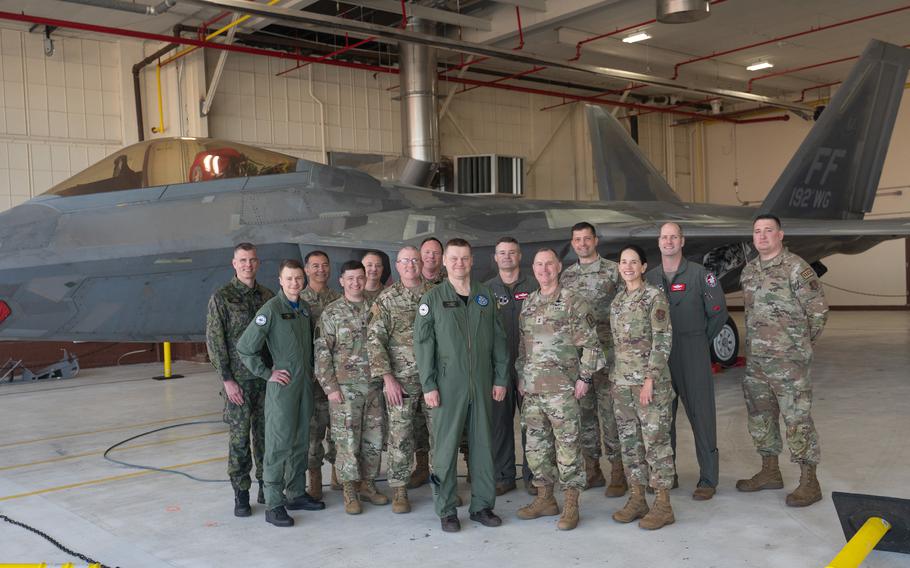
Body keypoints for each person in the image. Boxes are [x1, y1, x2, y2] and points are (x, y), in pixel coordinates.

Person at [414, 238, 510, 533]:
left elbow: (499, 341)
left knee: (483, 446)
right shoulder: (432, 299)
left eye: (465, 258)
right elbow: (423, 345)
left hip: (481, 383)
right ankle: (446, 510)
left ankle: (482, 506)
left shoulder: (485, 297)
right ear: (444, 261)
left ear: (472, 261)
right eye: (454, 259)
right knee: (444, 451)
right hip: (447, 386)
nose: (459, 264)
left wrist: (501, 377)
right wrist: (428, 384)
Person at [736, 214, 828, 508]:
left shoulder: (796, 268)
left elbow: (818, 311)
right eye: (757, 232)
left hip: (789, 363)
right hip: (757, 363)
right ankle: (770, 472)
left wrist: (800, 346)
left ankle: (809, 482)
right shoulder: (749, 271)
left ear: (780, 235)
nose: (762, 236)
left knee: (797, 420)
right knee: (761, 418)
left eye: (768, 231)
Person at [515, 248, 603, 531]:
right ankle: (545, 499)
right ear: (533, 268)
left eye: (549, 264)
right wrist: (520, 376)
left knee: (567, 450)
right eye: (539, 264)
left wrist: (585, 378)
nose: (543, 269)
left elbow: (591, 344)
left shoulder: (573, 302)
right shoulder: (528, 303)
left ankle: (571, 504)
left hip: (562, 391)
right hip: (532, 391)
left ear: (559, 267)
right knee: (537, 449)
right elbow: (522, 346)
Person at [237, 259, 326, 527]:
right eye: (289, 278)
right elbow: (245, 347)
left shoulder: (304, 310)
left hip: (304, 387)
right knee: (278, 445)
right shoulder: (271, 309)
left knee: (301, 440)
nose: (294, 283)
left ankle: (296, 493)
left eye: (298, 278)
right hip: (283, 388)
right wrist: (267, 373)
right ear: (280, 280)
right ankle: (274, 502)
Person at [645, 222, 728, 501]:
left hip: (692, 349)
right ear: (659, 242)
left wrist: (699, 342)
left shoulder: (700, 275)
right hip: (661, 355)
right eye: (664, 237)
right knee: (661, 418)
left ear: (682, 241)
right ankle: (667, 475)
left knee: (702, 416)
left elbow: (718, 313)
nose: (668, 241)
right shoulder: (650, 278)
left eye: (673, 237)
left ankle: (708, 478)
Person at [205, 243, 274, 517]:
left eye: (252, 260)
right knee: (239, 440)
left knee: (266, 439)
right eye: (243, 260)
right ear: (234, 264)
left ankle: (266, 488)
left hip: (264, 380)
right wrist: (226, 379)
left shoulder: (268, 296)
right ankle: (241, 492)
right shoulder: (222, 297)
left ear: (258, 263)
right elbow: (215, 341)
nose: (248, 265)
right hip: (238, 384)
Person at [610, 245, 676, 530]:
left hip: (650, 386)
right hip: (622, 385)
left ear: (644, 266)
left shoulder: (653, 297)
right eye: (623, 262)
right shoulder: (617, 302)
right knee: (630, 445)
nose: (627, 267)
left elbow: (662, 340)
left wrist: (649, 379)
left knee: (656, 445)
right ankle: (637, 499)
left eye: (633, 262)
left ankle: (663, 505)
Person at [315, 260, 388, 515]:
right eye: (351, 278)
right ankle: (349, 491)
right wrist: (330, 388)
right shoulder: (332, 313)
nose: (356, 282)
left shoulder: (376, 308)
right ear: (342, 281)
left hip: (374, 388)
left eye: (360, 277)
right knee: (346, 442)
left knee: (373, 440)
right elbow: (322, 353)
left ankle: (367, 485)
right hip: (345, 390)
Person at [559, 222, 626, 496]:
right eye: (577, 239)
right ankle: (592, 469)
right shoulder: (567, 276)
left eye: (587, 239)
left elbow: (624, 309)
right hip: (580, 359)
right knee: (584, 416)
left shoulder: (613, 271)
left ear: (595, 241)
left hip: (608, 355)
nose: (583, 244)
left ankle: (618, 472)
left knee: (611, 416)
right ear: (573, 243)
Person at [367, 246, 435, 513]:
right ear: (397, 265)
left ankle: (442, 486)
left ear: (421, 263)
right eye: (405, 261)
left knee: (438, 435)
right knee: (400, 435)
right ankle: (399, 490)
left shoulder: (435, 294)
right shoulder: (386, 300)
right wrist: (387, 379)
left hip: (433, 380)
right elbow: (375, 341)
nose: (410, 265)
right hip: (401, 382)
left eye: (415, 260)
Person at [485, 237, 538, 495]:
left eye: (512, 252)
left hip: (531, 369)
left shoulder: (535, 286)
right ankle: (503, 476)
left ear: (520, 256)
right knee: (500, 424)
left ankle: (534, 475)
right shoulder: (484, 291)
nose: (507, 257)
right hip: (498, 371)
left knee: (534, 423)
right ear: (495, 258)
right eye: (502, 253)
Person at [301, 250, 341, 499]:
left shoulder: (338, 298)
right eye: (315, 266)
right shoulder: (299, 300)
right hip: (312, 381)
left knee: (339, 430)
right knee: (314, 432)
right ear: (306, 269)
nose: (320, 270)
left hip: (338, 378)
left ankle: (340, 474)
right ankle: (314, 480)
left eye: (325, 265)